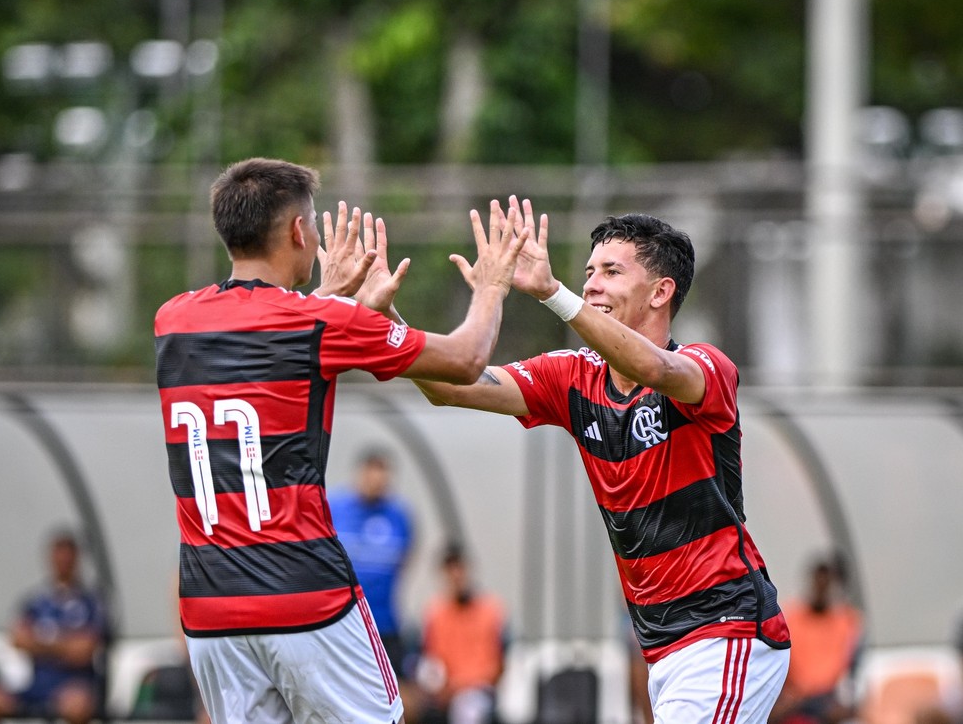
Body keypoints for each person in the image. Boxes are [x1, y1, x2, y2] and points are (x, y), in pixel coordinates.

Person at [153, 157, 527, 724]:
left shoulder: (173, 319)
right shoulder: (318, 323)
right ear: (299, 233)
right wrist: (494, 284)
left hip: (211, 609)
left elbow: (263, 342)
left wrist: (330, 300)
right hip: (305, 596)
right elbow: (467, 358)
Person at [413, 199, 791, 724]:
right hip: (661, 644)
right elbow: (449, 387)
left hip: (727, 628)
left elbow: (653, 365)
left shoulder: (706, 369)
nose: (591, 284)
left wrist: (551, 292)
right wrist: (383, 321)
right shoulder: (571, 377)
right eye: (588, 272)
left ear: (661, 292)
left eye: (612, 272)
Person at [0, 529, 108, 724]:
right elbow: (18, 639)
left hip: (74, 684)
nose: (63, 562)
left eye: (68, 556)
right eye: (58, 556)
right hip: (37, 685)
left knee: (77, 705)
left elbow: (84, 649)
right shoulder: (36, 601)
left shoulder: (91, 601)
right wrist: (64, 644)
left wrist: (42, 641)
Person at [328, 449, 415, 676]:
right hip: (342, 623)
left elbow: (405, 561)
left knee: (395, 697)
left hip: (384, 624)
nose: (376, 483)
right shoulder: (335, 508)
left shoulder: (399, 516)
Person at [416, 542, 506, 724]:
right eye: (450, 568)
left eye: (459, 567)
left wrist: (459, 686)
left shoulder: (490, 610)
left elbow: (495, 666)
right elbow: (431, 662)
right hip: (444, 694)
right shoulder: (435, 613)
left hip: (478, 691)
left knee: (468, 709)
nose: (456, 574)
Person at [770, 554, 863, 724]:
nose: (822, 588)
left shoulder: (847, 621)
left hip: (829, 699)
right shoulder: (791, 617)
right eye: (818, 582)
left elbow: (853, 672)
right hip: (795, 698)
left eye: (828, 583)